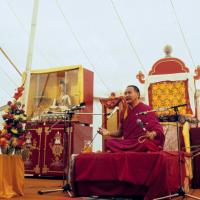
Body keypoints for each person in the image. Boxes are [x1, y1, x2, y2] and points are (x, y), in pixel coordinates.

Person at [98, 85, 165, 152]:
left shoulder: (147, 109)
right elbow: (120, 132)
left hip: (140, 141)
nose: (127, 95)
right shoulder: (124, 112)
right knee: (109, 142)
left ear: (137, 94)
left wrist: (152, 134)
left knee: (146, 143)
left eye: (129, 93)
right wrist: (108, 133)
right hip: (128, 143)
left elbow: (158, 128)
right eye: (125, 93)